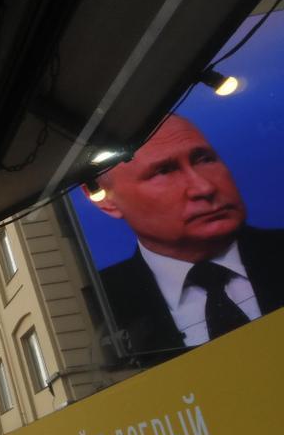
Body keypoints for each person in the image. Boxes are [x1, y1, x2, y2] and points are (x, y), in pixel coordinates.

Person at [90, 114, 284, 357]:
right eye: (163, 171)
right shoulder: (94, 309)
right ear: (106, 200)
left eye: (204, 159)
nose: (204, 187)